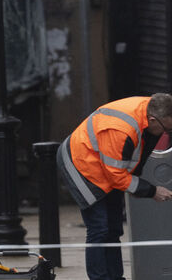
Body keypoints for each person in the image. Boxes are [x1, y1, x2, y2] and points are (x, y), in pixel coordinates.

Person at [57, 92, 172, 280]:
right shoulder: (122, 130)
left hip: (105, 164)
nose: (166, 134)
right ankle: (99, 278)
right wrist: (151, 191)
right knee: (99, 228)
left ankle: (116, 277)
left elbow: (134, 156)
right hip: (81, 164)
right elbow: (116, 177)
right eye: (166, 130)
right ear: (152, 120)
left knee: (113, 229)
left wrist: (134, 185)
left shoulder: (150, 112)